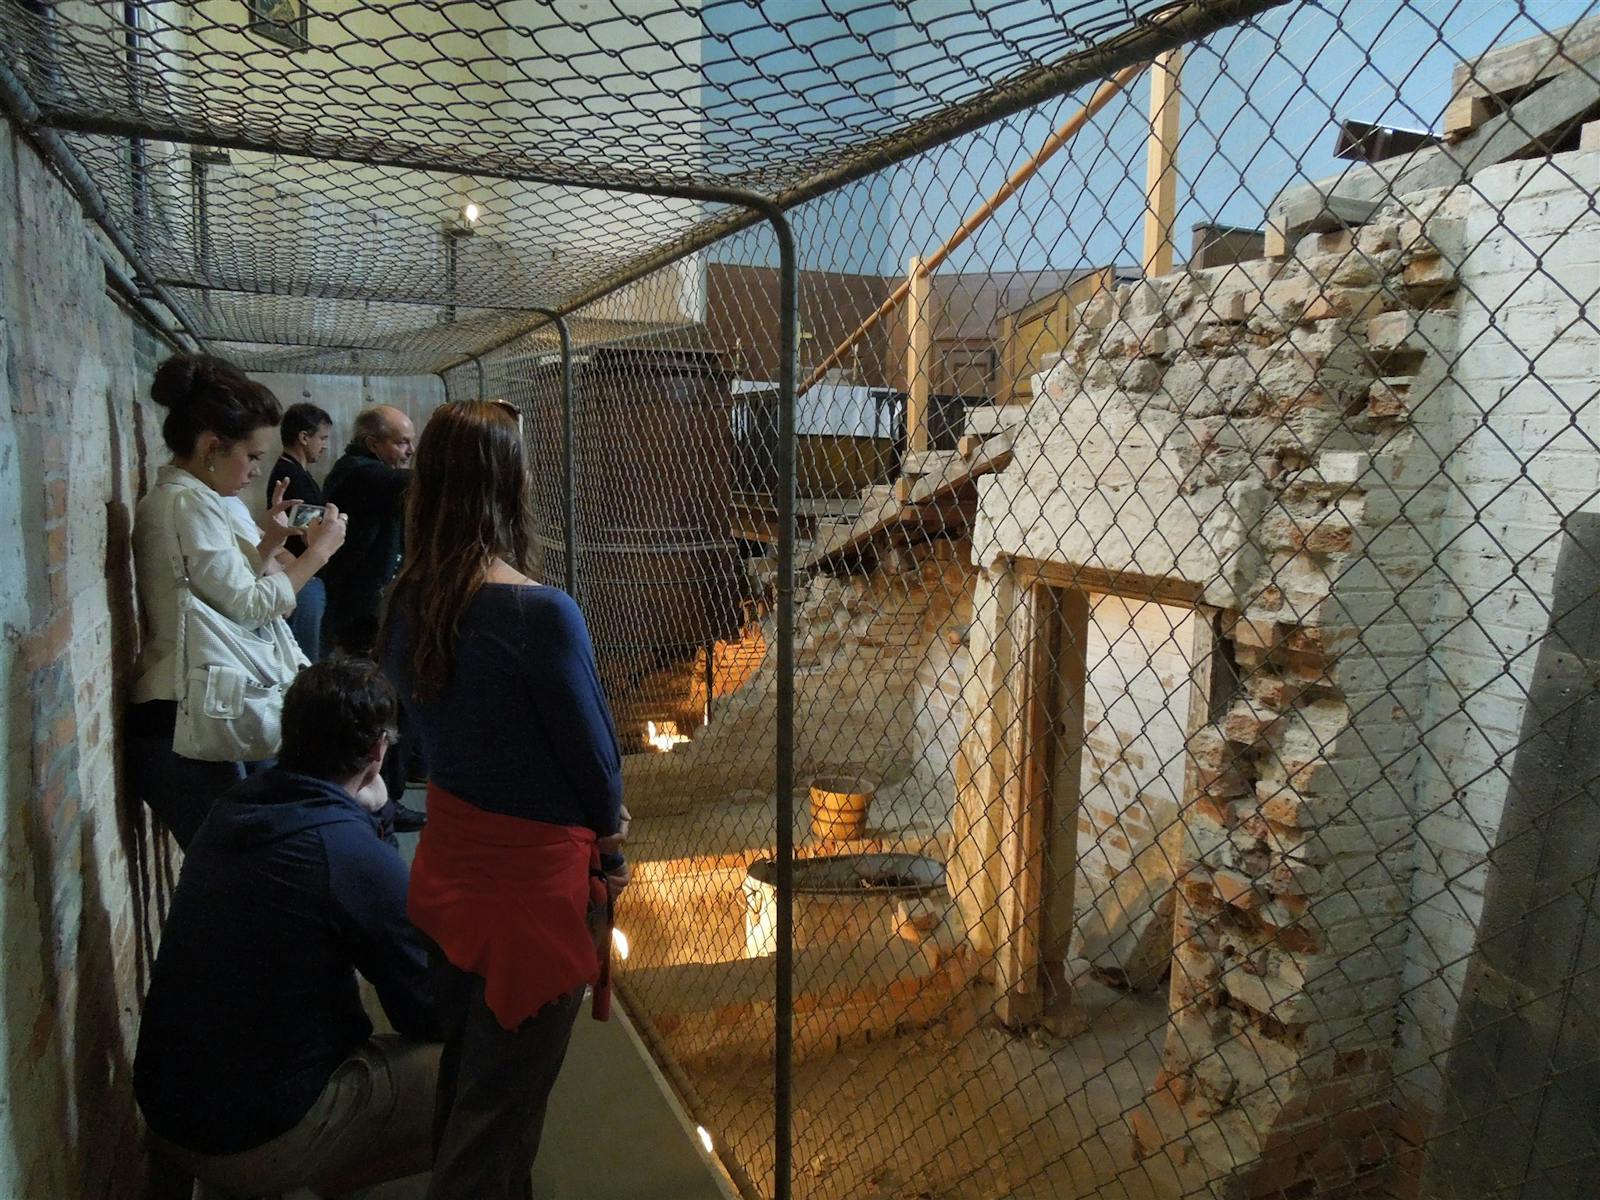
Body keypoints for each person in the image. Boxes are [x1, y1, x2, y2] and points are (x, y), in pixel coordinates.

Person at [379, 400, 628, 1200]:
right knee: (500, 1114)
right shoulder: (537, 612)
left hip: (450, 868)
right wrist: (611, 837)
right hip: (528, 893)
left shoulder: (409, 599)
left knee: (469, 1074)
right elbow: (595, 760)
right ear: (507, 482)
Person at [134, 656, 443, 1197]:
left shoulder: (237, 805)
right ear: (377, 752)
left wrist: (370, 818)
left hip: (168, 1112)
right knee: (483, 1069)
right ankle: (303, 1170)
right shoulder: (344, 850)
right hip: (250, 1141)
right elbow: (424, 1009)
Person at [127, 354, 347, 848]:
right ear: (211, 446)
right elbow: (247, 605)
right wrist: (317, 553)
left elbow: (216, 590)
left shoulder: (198, 498)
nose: (255, 471)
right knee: (231, 876)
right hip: (180, 720)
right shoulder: (186, 503)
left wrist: (270, 543)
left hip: (194, 711)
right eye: (251, 456)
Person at [322, 403, 427, 833]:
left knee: (390, 701)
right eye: (402, 442)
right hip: (360, 612)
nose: (409, 451)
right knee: (381, 705)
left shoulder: (365, 471)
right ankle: (381, 800)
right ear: (373, 443)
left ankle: (386, 794)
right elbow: (413, 482)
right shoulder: (358, 472)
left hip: (368, 607)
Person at [268, 401, 335, 661]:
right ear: (304, 437)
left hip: (303, 575)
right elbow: (309, 534)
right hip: (303, 578)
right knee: (305, 659)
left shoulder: (295, 471)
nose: (325, 445)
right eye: (322, 438)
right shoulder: (289, 475)